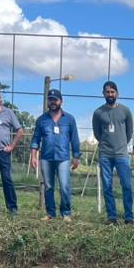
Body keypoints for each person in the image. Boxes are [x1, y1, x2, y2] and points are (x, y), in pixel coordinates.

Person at [31, 88, 80, 221]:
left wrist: (76, 156)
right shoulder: (41, 120)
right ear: (48, 101)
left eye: (55, 100)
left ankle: (66, 213)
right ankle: (50, 214)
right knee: (48, 186)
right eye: (50, 99)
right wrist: (33, 155)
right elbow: (36, 139)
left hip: (63, 158)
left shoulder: (69, 119)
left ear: (61, 101)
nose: (53, 102)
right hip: (46, 158)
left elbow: (74, 138)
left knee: (64, 186)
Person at [93, 81, 134, 225]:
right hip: (105, 154)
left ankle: (129, 217)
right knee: (107, 186)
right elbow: (97, 133)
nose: (110, 94)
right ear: (103, 94)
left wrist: (121, 144)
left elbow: (129, 133)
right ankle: (112, 217)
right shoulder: (98, 113)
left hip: (122, 154)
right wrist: (106, 144)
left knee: (127, 186)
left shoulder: (125, 111)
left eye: (112, 92)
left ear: (117, 93)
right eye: (107, 92)